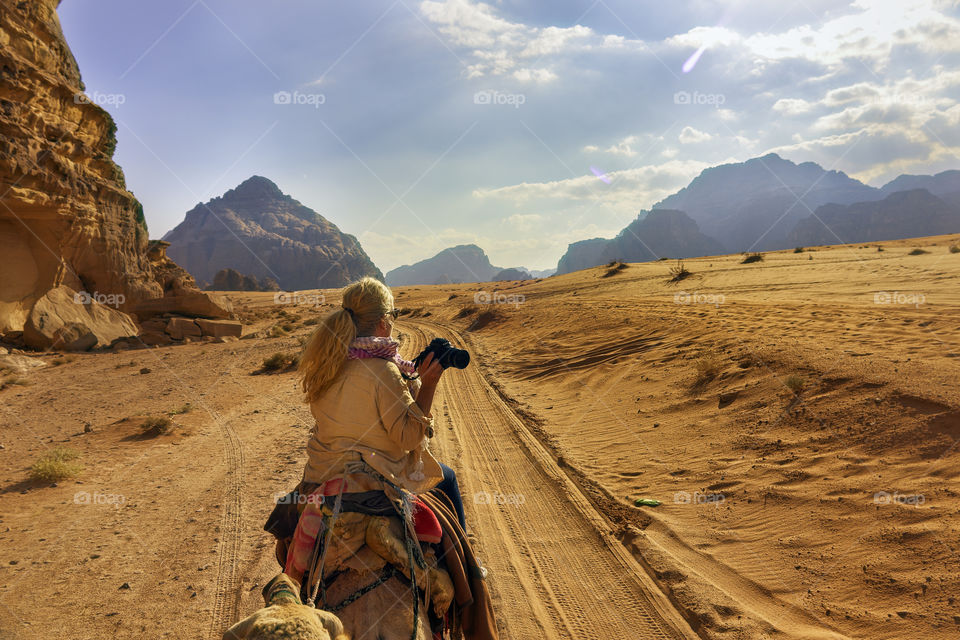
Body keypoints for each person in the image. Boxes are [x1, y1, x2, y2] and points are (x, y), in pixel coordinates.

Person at [296, 276, 467, 529]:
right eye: (394, 315)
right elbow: (408, 439)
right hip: (378, 476)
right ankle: (474, 567)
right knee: (448, 477)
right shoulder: (384, 370)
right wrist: (428, 385)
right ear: (383, 323)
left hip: (323, 473)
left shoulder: (326, 363)